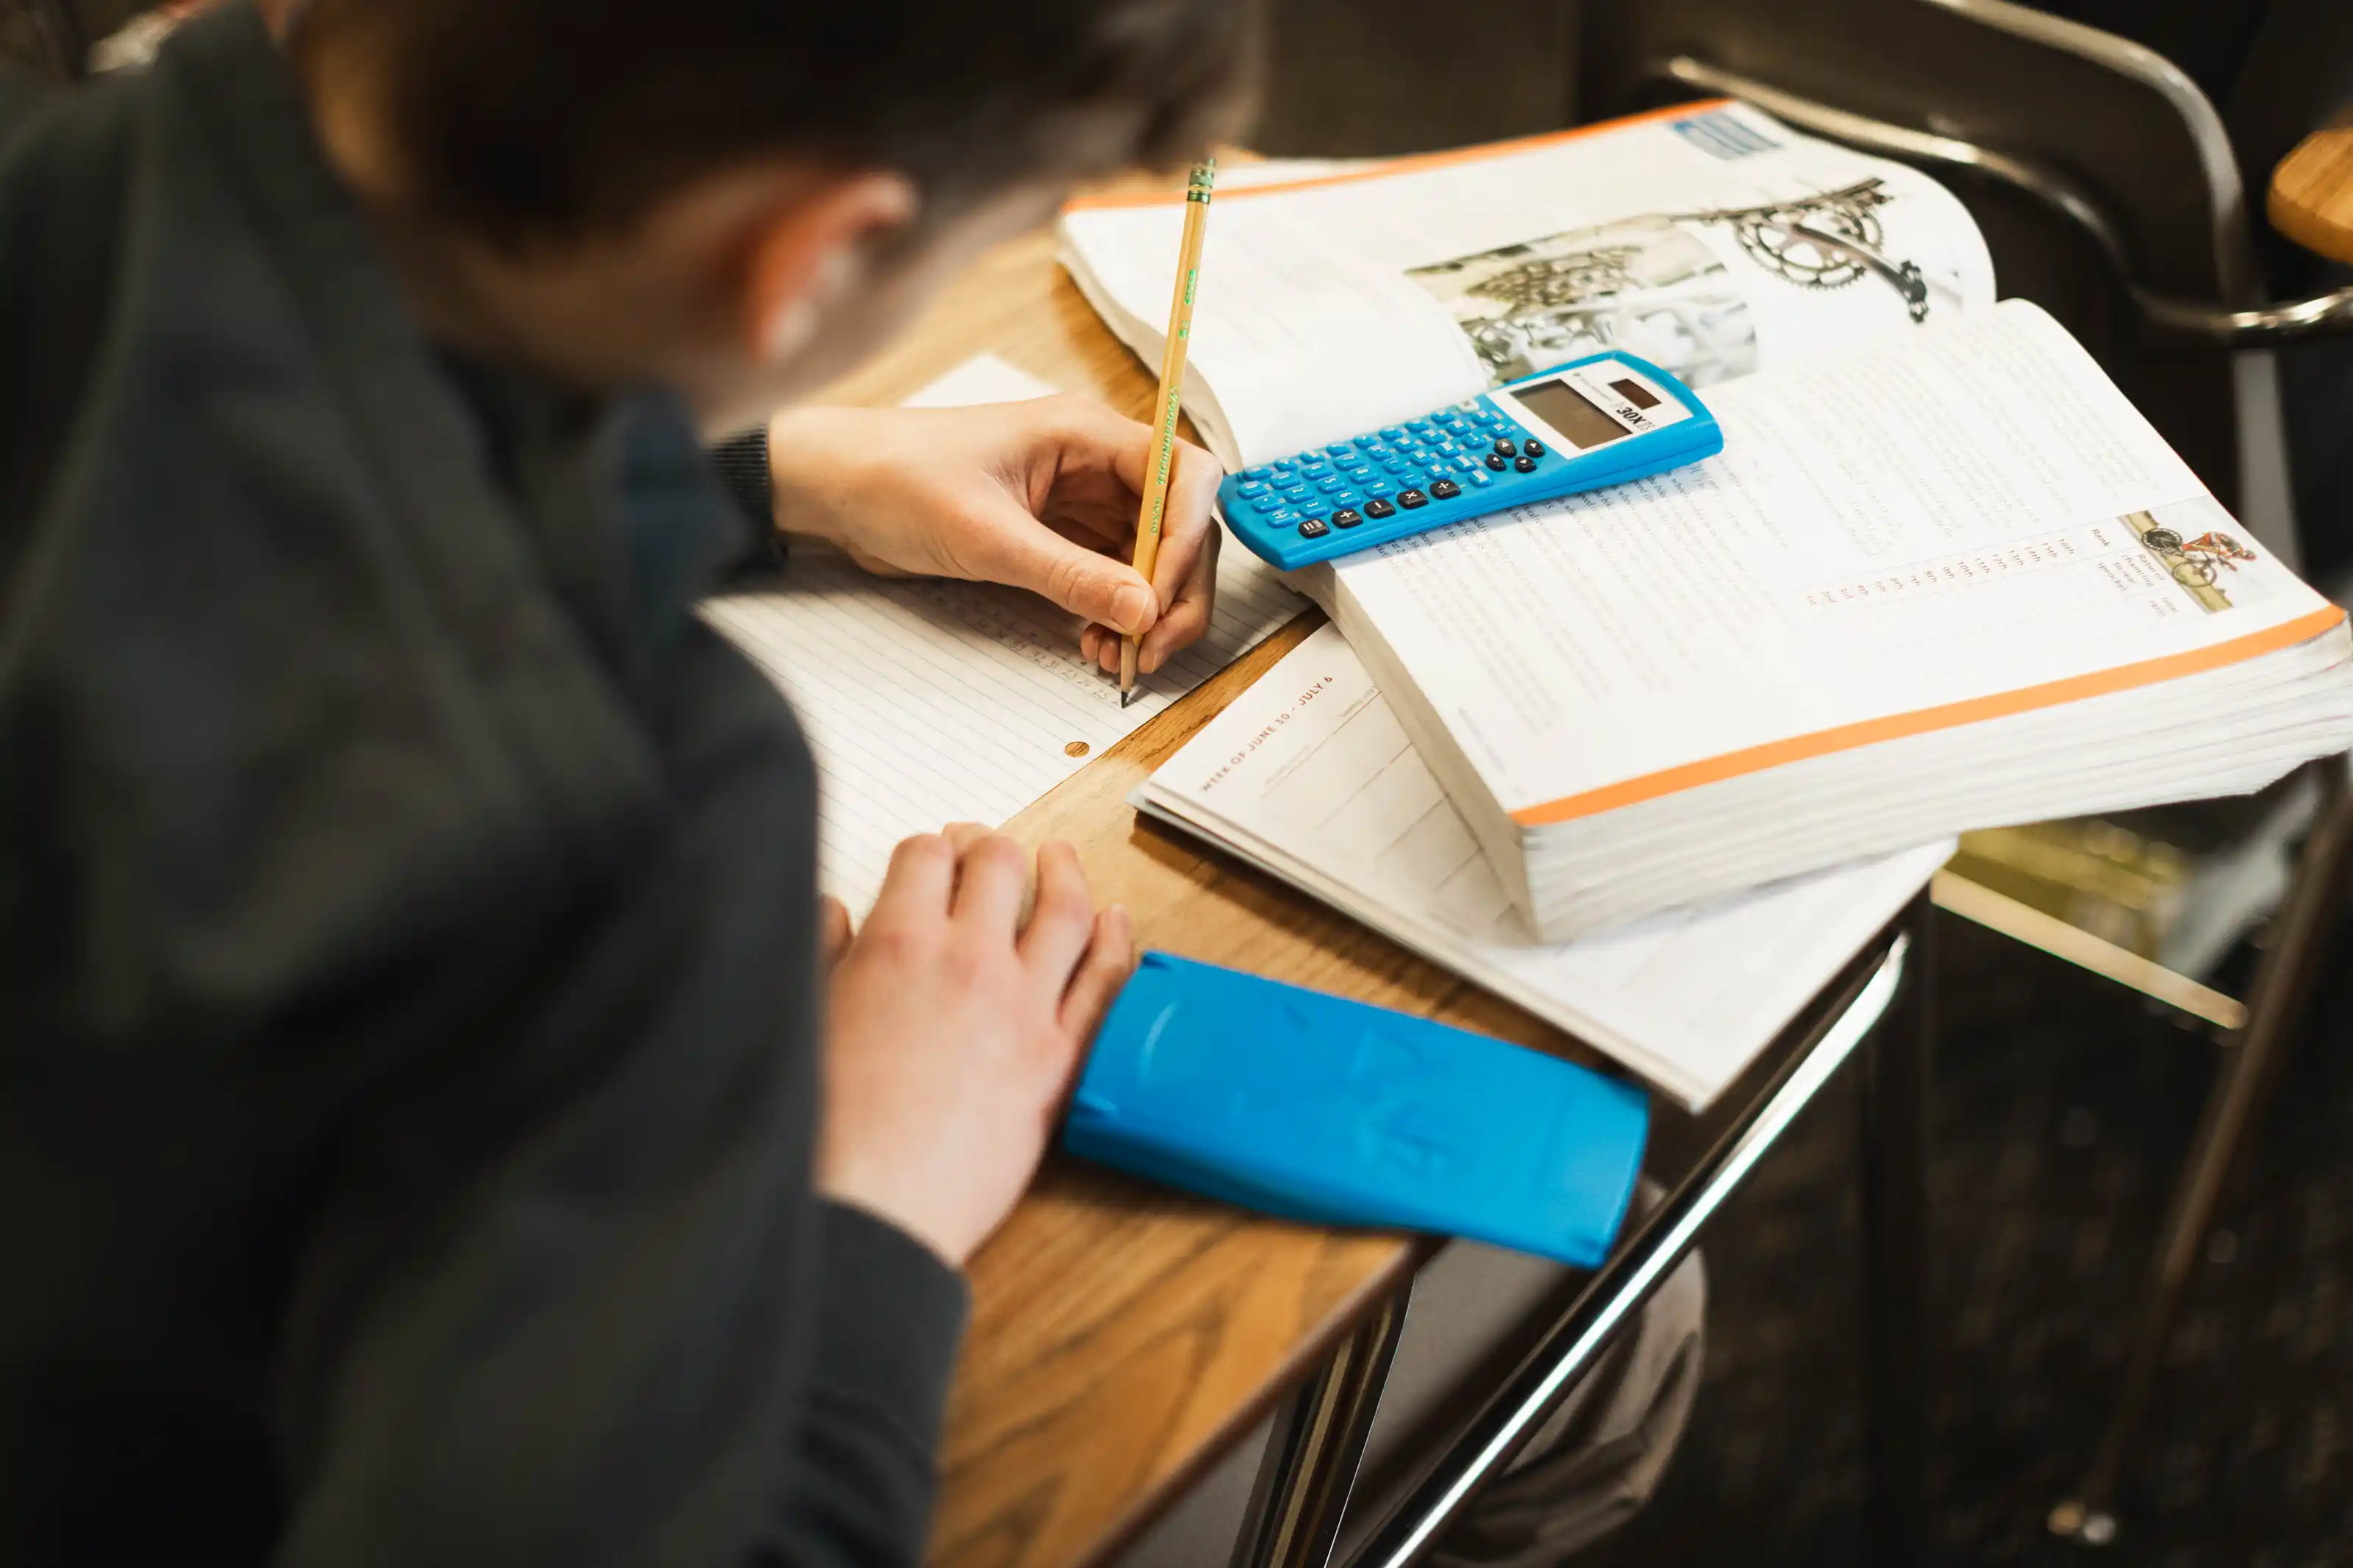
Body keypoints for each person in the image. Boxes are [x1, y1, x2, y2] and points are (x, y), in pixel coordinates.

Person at [0, 4, 1699, 1564]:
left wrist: (777, 468)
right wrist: (878, 1193)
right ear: (809, 264)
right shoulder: (626, 820)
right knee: (1624, 1311)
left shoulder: (56, 174)